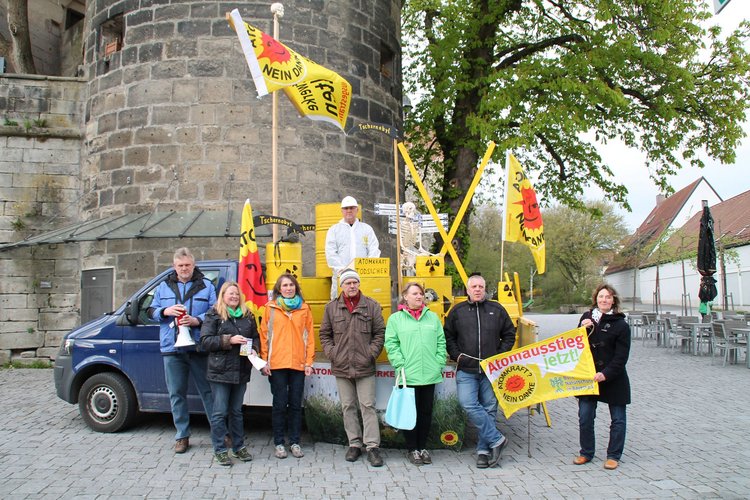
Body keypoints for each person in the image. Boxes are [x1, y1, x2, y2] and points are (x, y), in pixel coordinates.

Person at [444, 273, 516, 468]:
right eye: (474, 286)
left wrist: (498, 356)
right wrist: (457, 355)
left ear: (485, 289)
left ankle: (484, 451)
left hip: (491, 370)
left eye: (480, 287)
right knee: (467, 403)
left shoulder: (497, 309)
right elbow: (448, 336)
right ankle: (497, 439)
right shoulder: (457, 311)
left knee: (489, 408)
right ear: (467, 290)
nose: (477, 289)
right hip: (466, 369)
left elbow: (509, 334)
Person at [149, 247, 216, 454]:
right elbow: (150, 311)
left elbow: (215, 312)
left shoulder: (207, 286)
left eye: (187, 265)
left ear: (193, 265)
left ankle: (219, 433)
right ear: (174, 266)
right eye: (180, 265)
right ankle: (182, 436)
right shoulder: (163, 287)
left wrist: (197, 320)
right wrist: (165, 311)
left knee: (208, 392)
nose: (184, 268)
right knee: (176, 393)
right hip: (172, 347)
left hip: (198, 346)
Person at [319, 269, 386, 467]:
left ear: (359, 284)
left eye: (355, 282)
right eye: (348, 283)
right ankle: (354, 444)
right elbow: (324, 334)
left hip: (365, 366)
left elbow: (379, 333)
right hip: (341, 366)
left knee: (367, 406)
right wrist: (333, 354)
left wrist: (370, 354)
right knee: (347, 406)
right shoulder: (331, 308)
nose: (352, 286)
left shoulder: (371, 306)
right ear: (341, 286)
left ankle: (372, 447)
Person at [384, 281, 446, 466]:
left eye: (421, 293)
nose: (419, 296)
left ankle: (423, 447)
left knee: (426, 413)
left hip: (429, 374)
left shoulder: (432, 318)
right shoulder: (396, 319)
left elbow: (441, 342)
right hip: (408, 375)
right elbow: (391, 343)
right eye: (415, 293)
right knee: (410, 413)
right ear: (405, 296)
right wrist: (400, 364)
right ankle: (412, 449)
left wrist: (439, 362)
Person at [199, 281, 260, 466]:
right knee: (219, 413)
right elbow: (205, 341)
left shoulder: (247, 315)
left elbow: (255, 337)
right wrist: (229, 340)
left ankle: (238, 447)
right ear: (223, 296)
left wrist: (255, 349)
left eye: (236, 293)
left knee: (236, 412)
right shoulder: (214, 314)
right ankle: (220, 449)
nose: (234, 296)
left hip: (240, 370)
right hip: (220, 372)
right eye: (230, 293)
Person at [575, 284, 631, 470]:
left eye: (608, 297)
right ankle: (586, 452)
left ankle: (614, 455)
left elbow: (621, 357)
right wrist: (581, 329)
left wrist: (606, 374)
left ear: (613, 300)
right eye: (601, 296)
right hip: (589, 376)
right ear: (596, 299)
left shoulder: (621, 325)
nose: (604, 300)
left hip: (613, 377)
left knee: (618, 419)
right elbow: (576, 344)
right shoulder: (586, 317)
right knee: (585, 416)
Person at [259, 273, 315, 459]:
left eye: (291, 285)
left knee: (295, 405)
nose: (288, 288)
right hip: (277, 364)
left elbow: (310, 337)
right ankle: (279, 443)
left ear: (296, 288)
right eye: (285, 285)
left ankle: (295, 442)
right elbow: (264, 336)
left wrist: (309, 362)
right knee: (280, 404)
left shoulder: (304, 308)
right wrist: (264, 361)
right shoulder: (270, 308)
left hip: (298, 364)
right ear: (279, 289)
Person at [325, 195, 380, 299]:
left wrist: (367, 268)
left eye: (351, 208)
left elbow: (374, 250)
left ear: (357, 210)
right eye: (346, 208)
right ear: (342, 210)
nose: (349, 211)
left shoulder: (366, 229)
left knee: (362, 303)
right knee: (339, 304)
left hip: (362, 277)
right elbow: (331, 253)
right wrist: (341, 270)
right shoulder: (334, 230)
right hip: (341, 276)